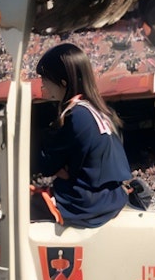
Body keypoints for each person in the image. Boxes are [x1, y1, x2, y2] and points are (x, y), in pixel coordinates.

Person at [33, 42, 132, 227]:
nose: (42, 84)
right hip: (111, 196)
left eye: (45, 78)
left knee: (15, 208)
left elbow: (45, 165)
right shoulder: (100, 110)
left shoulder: (76, 115)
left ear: (63, 82)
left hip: (86, 203)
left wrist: (58, 166)